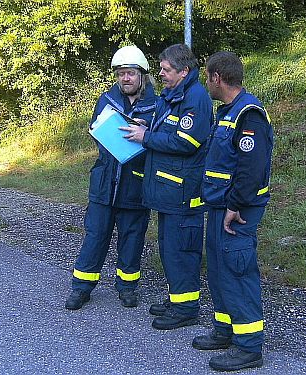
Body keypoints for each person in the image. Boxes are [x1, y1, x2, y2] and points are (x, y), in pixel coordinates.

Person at [192, 51, 274, 371]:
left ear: (217, 78)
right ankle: (226, 329)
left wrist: (235, 205)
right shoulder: (226, 111)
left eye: (207, 77)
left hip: (237, 210)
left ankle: (249, 346)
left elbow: (251, 168)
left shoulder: (248, 114)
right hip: (218, 205)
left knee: (238, 272)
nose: (206, 83)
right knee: (219, 270)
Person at [121, 44, 213, 330]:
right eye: (160, 68)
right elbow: (164, 127)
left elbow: (187, 142)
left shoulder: (195, 98)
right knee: (169, 249)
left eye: (165, 69)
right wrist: (143, 125)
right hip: (168, 191)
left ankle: (186, 308)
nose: (159, 73)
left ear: (184, 71)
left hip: (183, 193)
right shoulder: (173, 94)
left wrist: (145, 137)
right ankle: (177, 299)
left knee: (182, 251)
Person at [65, 45, 156, 310]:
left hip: (135, 185)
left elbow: (161, 141)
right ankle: (81, 288)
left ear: (142, 75)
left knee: (132, 239)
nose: (125, 78)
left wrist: (147, 132)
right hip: (105, 183)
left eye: (130, 73)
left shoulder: (157, 105)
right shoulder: (106, 100)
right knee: (95, 237)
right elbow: (98, 133)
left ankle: (127, 287)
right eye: (120, 73)